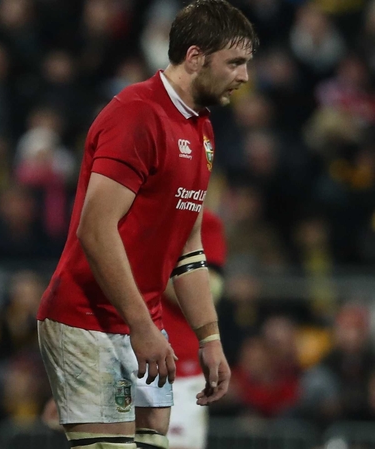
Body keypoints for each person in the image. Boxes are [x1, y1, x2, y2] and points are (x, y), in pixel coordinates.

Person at [36, 1, 257, 448]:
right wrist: (142, 327)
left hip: (142, 326)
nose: (244, 76)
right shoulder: (137, 114)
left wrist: (209, 338)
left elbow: (189, 249)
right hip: (89, 318)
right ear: (195, 57)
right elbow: (95, 230)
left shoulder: (202, 129)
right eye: (235, 62)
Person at [162, 210, 226, 449]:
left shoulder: (200, 220)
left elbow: (210, 292)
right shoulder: (121, 212)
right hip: (119, 361)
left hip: (180, 370)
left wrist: (143, 263)